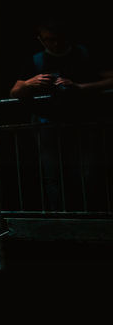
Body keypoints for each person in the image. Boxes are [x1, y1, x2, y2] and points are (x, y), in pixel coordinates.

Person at [10, 20, 113, 211]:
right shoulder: (36, 60)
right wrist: (29, 84)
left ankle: (88, 215)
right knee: (53, 174)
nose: (55, 44)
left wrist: (81, 87)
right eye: (49, 40)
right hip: (48, 125)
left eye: (59, 39)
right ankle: (60, 215)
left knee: (88, 173)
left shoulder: (83, 54)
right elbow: (15, 91)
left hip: (84, 122)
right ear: (41, 40)